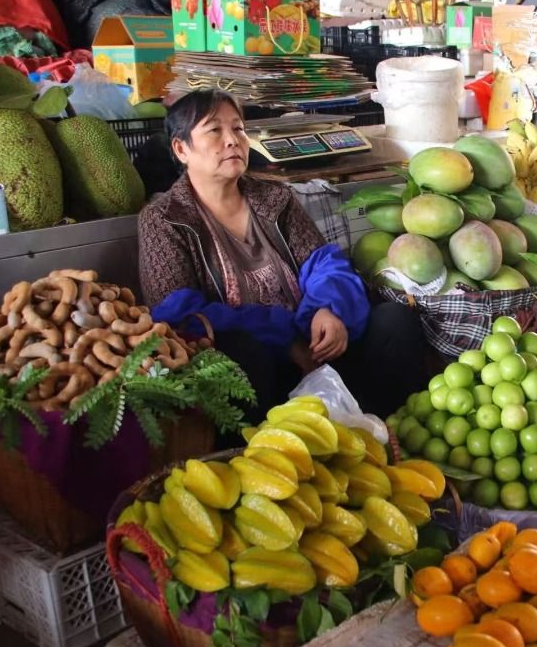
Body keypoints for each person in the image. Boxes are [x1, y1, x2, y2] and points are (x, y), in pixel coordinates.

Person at [138, 89, 427, 422]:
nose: (232, 140)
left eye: (238, 128)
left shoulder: (274, 199)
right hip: (260, 367)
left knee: (394, 321)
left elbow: (325, 263)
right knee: (241, 352)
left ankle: (381, 431)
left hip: (315, 344)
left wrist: (327, 310)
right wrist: (284, 338)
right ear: (181, 149)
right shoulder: (165, 219)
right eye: (214, 130)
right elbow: (178, 313)